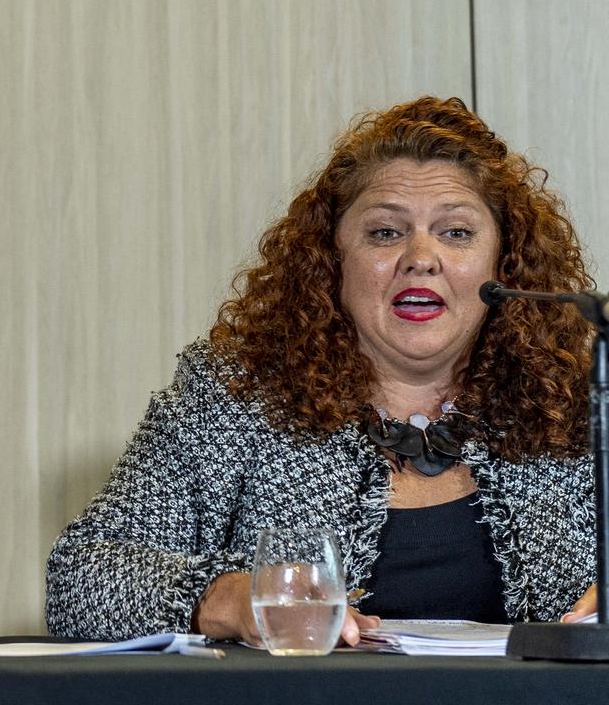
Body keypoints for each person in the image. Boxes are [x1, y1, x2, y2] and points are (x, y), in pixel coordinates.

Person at [46, 96, 598, 646]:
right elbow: (79, 580)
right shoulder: (237, 395)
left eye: (456, 233)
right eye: (385, 232)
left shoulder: (584, 398)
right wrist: (223, 598)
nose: (421, 257)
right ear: (332, 258)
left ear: (503, 261)